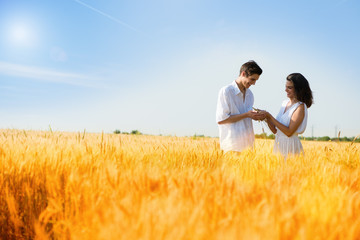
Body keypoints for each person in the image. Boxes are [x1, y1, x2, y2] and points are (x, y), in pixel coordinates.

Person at [216, 60, 265, 153]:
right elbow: (221, 120)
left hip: (248, 146)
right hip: (232, 145)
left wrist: (255, 116)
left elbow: (247, 116)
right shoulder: (226, 91)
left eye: (256, 80)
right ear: (243, 74)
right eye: (252, 79)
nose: (254, 83)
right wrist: (247, 115)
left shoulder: (250, 94)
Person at [262, 73, 313, 157]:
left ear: (298, 89)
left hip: (291, 146)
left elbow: (289, 132)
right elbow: (275, 131)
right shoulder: (284, 103)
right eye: (286, 87)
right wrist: (266, 117)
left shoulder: (300, 107)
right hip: (279, 144)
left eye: (289, 87)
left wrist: (270, 116)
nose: (286, 90)